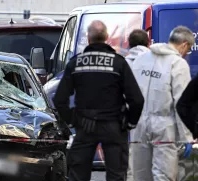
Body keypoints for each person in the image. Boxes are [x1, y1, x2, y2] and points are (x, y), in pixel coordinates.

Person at [53, 20, 144, 181]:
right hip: (114, 125)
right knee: (117, 175)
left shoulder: (76, 63)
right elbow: (136, 99)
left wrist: (73, 119)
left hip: (85, 125)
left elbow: (59, 99)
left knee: (78, 174)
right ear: (107, 37)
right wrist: (129, 123)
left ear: (88, 38)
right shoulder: (118, 63)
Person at [130, 25, 195, 181]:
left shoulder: (141, 59)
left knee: (140, 174)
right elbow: (182, 102)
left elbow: (130, 93)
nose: (187, 54)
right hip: (165, 127)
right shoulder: (178, 64)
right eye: (189, 49)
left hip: (139, 125)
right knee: (164, 175)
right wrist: (187, 137)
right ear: (184, 45)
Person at [125, 29, 150, 181]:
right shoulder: (154, 62)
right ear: (148, 43)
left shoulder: (124, 63)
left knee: (132, 158)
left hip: (130, 115)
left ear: (129, 44)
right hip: (154, 114)